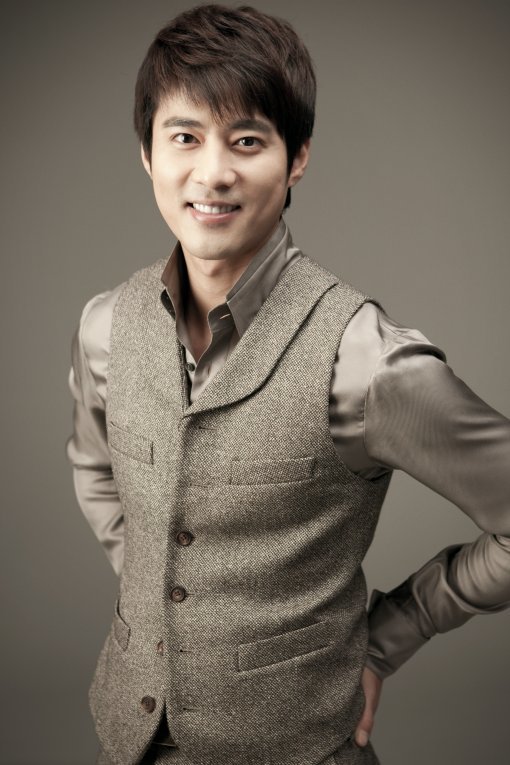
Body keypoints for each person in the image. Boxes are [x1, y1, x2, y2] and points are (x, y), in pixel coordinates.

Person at [66, 5, 510, 764]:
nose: (212, 173)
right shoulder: (105, 326)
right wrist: (161, 598)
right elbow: (94, 468)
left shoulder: (365, 360)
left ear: (297, 157)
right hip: (125, 742)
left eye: (247, 140)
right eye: (184, 137)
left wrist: (388, 637)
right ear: (147, 152)